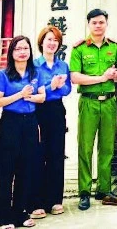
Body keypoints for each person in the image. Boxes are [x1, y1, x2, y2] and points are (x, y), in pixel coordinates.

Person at [70, 8, 117, 210]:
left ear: (106, 24)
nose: (98, 25)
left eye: (101, 22)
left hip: (109, 102)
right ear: (88, 24)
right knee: (85, 147)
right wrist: (102, 78)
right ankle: (84, 191)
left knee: (107, 147)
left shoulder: (114, 47)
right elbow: (75, 77)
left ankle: (104, 189)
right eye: (94, 22)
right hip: (89, 102)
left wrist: (116, 74)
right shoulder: (79, 49)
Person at [0, 35, 46, 229]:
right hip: (10, 123)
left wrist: (30, 97)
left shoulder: (35, 72)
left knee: (26, 169)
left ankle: (21, 213)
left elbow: (42, 97)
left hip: (30, 123)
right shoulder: (3, 74)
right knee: (7, 171)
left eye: (26, 48)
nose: (22, 52)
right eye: (18, 49)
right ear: (11, 52)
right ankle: (5, 217)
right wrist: (20, 95)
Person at [30, 26, 72, 219]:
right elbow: (32, 90)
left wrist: (54, 88)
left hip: (56, 110)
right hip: (38, 111)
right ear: (41, 42)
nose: (52, 43)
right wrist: (51, 86)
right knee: (38, 154)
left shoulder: (62, 65)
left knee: (56, 154)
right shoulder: (33, 65)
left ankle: (55, 200)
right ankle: (36, 201)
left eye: (55, 40)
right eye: (49, 39)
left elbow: (67, 89)